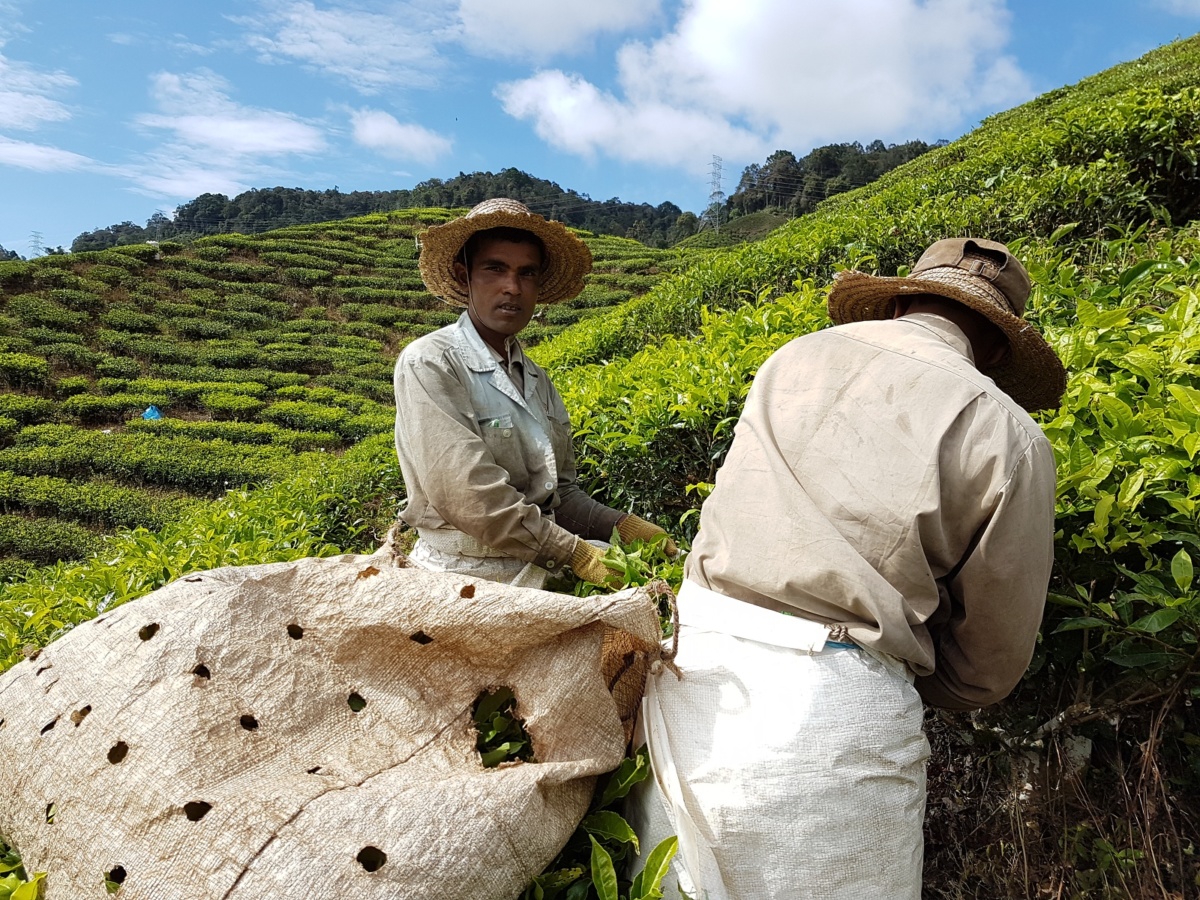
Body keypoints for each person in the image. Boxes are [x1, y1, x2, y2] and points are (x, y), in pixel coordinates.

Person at [627, 238, 1066, 898]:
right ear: (998, 349)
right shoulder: (1006, 431)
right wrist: (898, 671)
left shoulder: (792, 358)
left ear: (899, 303)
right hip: (834, 721)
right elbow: (989, 663)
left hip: (690, 677)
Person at [393, 198, 674, 588]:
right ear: (464, 276)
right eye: (495, 269)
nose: (513, 287)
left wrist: (624, 527)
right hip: (459, 575)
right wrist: (573, 552)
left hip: (541, 568)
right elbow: (470, 496)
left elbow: (558, 494)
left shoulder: (538, 381)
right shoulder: (430, 363)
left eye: (527, 274)